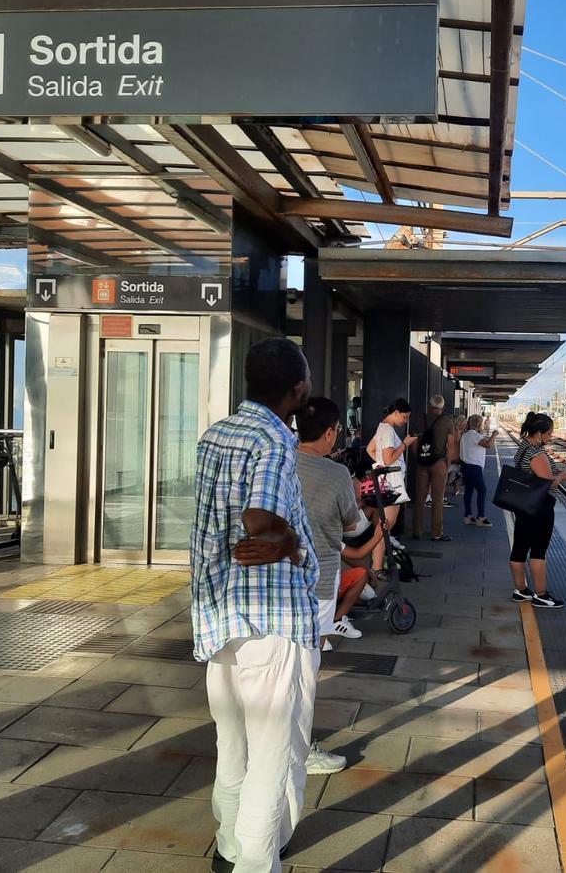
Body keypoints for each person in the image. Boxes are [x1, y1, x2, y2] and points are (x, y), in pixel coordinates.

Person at [191, 337, 318, 873]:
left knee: (233, 742)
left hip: (217, 615)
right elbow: (258, 519)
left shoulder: (215, 434)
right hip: (268, 619)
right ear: (296, 389)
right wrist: (286, 542)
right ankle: (256, 863)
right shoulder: (273, 439)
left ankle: (229, 846)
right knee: (271, 754)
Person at [293, 397, 382, 775]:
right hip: (318, 583)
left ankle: (276, 743)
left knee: (281, 669)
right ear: (330, 432)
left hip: (277, 581)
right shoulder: (334, 474)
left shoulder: (277, 461)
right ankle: (298, 750)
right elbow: (351, 525)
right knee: (305, 671)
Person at [510, 412, 566, 609]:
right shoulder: (536, 453)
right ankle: (541, 595)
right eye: (549, 434)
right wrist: (561, 476)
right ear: (539, 433)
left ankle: (521, 590)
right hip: (539, 507)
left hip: (524, 506)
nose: (551, 437)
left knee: (519, 548)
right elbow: (548, 483)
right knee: (538, 551)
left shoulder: (523, 447)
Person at [367, 399, 415, 572]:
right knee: (385, 525)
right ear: (395, 413)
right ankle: (377, 567)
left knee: (383, 525)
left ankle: (377, 566)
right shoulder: (388, 430)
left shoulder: (382, 427)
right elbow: (388, 459)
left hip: (384, 479)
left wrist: (380, 464)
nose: (405, 421)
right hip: (392, 482)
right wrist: (404, 444)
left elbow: (370, 450)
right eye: (404, 417)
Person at [411, 395, 457, 542]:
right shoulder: (447, 421)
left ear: (429, 406)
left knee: (420, 498)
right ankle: (436, 533)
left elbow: (413, 443)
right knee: (437, 499)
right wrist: (447, 463)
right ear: (442, 407)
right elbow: (450, 446)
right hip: (439, 464)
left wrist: (419, 458)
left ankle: (417, 531)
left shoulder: (420, 419)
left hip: (422, 464)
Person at [460, 414, 497, 527]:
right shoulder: (475, 436)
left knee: (469, 491)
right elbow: (488, 444)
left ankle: (468, 516)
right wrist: (494, 435)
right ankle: (481, 517)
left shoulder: (464, 435)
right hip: (474, 468)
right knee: (482, 490)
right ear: (479, 424)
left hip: (465, 466)